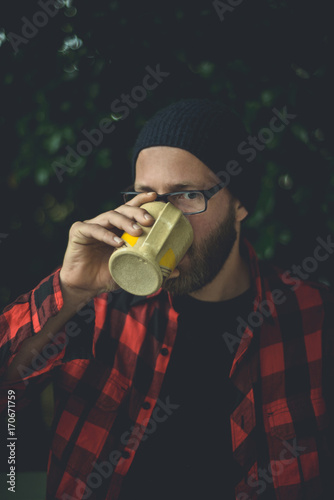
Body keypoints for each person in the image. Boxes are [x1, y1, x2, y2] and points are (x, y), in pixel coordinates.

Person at [0, 98, 333, 500]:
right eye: (146, 195)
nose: (159, 216)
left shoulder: (314, 316)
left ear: (240, 202)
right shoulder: (91, 308)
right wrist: (71, 291)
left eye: (186, 195)